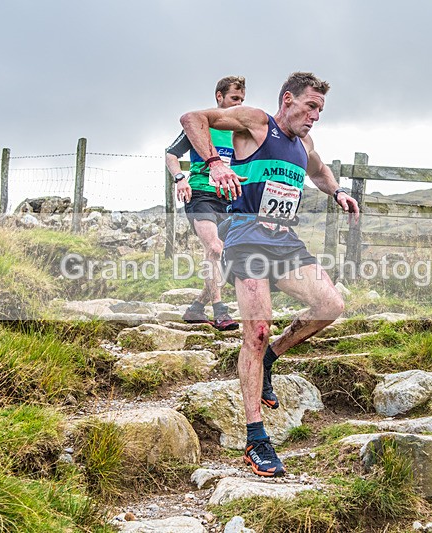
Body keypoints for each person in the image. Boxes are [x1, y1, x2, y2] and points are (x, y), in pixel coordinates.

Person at [180, 72, 359, 477]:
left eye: (320, 110)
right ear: (288, 99)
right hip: (245, 236)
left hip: (285, 241)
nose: (315, 115)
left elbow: (317, 170)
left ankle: (273, 358)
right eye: (310, 106)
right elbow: (192, 118)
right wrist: (213, 163)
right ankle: (256, 439)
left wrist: (337, 192)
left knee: (330, 304)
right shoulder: (257, 123)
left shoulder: (304, 144)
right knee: (255, 332)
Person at [165, 75, 246, 331]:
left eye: (242, 100)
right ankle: (220, 311)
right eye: (234, 98)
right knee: (214, 247)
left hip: (230, 199)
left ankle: (196, 308)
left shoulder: (241, 131)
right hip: (200, 194)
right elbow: (171, 154)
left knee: (221, 255)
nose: (238, 104)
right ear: (219, 97)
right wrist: (180, 178)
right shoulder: (200, 125)